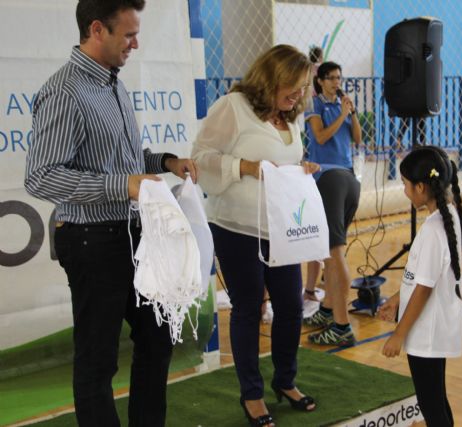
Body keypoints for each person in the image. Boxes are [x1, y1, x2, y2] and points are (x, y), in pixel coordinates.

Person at [23, 1, 198, 425]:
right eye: (129, 34)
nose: (136, 43)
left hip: (132, 237)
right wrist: (124, 185)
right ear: (97, 29)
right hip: (90, 242)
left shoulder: (112, 83)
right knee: (98, 362)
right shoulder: (65, 91)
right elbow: (41, 177)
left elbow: (122, 159)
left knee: (157, 342)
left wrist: (165, 162)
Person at [191, 44, 319, 426]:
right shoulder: (234, 107)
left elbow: (287, 163)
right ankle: (252, 393)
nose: (297, 97)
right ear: (270, 78)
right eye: (291, 88)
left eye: (302, 89)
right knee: (249, 308)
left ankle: (285, 381)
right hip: (236, 227)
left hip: (280, 228)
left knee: (292, 307)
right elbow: (200, 158)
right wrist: (244, 166)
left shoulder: (290, 117)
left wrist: (302, 169)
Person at [378, 146, 462, 427]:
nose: (404, 189)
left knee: (431, 405)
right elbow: (424, 276)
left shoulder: (433, 229)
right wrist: (397, 297)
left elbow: (424, 289)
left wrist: (398, 334)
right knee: (436, 399)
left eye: (405, 184)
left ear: (420, 187)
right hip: (433, 327)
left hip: (426, 332)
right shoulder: (448, 215)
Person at [301, 61, 362, 346]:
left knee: (334, 253)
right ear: (321, 81)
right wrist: (341, 114)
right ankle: (327, 310)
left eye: (339, 77)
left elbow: (358, 139)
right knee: (327, 249)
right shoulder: (315, 105)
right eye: (332, 78)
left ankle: (341, 325)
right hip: (329, 175)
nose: (337, 82)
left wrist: (352, 114)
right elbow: (321, 135)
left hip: (341, 180)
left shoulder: (342, 105)